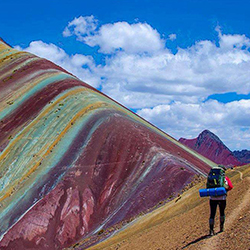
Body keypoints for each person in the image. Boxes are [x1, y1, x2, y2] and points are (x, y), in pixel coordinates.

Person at [209, 166, 233, 236]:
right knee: (222, 212)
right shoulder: (225, 178)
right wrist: (225, 191)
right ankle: (221, 227)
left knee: (212, 214)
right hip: (222, 198)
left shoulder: (211, 178)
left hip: (212, 198)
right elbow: (230, 186)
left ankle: (211, 230)